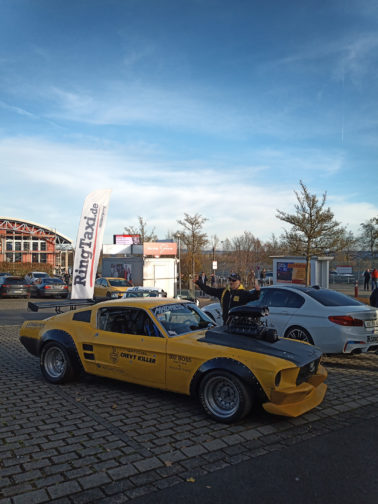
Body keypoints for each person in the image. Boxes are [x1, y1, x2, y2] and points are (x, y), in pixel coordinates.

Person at [195, 272, 261, 324]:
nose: (231, 282)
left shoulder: (243, 293)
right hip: (226, 324)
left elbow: (255, 297)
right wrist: (198, 283)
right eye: (230, 280)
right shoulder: (224, 292)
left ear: (239, 282)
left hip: (238, 325)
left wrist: (257, 291)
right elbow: (209, 290)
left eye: (234, 280)